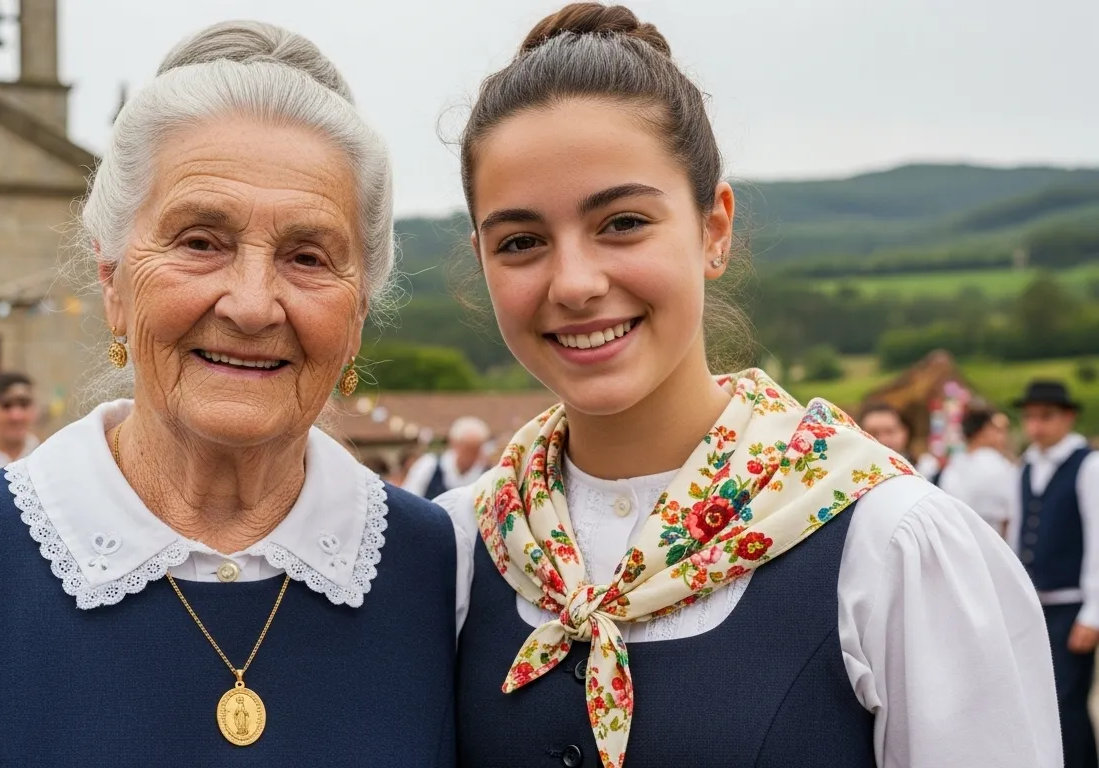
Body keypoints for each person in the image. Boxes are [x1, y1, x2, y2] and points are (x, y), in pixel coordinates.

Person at [0, 21, 464, 766]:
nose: (251, 305)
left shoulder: (444, 573)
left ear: (359, 312)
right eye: (200, 242)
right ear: (112, 281)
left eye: (308, 256)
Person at [441, 6, 1059, 767]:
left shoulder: (888, 546)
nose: (574, 283)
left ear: (714, 229)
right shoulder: (462, 548)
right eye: (521, 241)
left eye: (623, 222)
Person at [1014, 379, 1099, 768]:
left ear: (1068, 417)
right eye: (1030, 417)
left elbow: (1097, 538)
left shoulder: (1089, 465)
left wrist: (1093, 613)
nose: (1036, 426)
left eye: (1045, 417)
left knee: (1067, 702)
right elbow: (1018, 533)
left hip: (1071, 603)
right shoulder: (1026, 465)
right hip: (1034, 603)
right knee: (1036, 702)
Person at [938, 406, 1019, 538]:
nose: (1003, 437)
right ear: (984, 431)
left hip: (956, 538)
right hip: (992, 539)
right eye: (996, 430)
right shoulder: (998, 464)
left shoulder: (954, 465)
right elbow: (1010, 515)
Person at [402, 416, 491, 499]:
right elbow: (410, 497)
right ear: (454, 444)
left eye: (475, 450)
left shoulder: (487, 475)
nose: (471, 455)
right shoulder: (429, 465)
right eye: (467, 449)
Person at [858, 402, 942, 480]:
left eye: (889, 431)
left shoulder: (928, 470)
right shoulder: (855, 475)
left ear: (905, 432)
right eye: (873, 433)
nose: (883, 440)